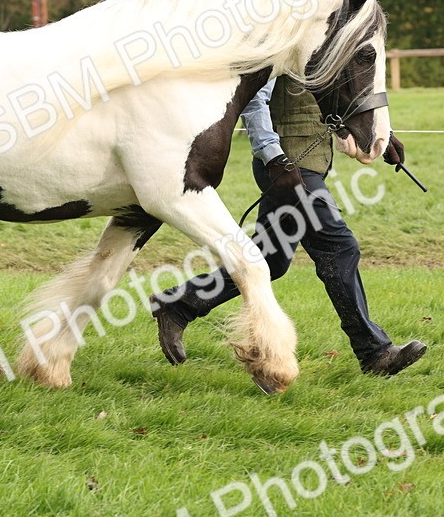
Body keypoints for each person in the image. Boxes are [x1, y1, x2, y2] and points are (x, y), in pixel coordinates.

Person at [150, 75, 427, 377]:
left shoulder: (322, 50)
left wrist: (379, 135)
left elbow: (341, 95)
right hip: (288, 169)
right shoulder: (282, 48)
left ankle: (180, 304)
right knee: (339, 248)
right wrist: (273, 157)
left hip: (305, 167)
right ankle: (374, 352)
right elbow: (256, 101)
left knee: (271, 260)